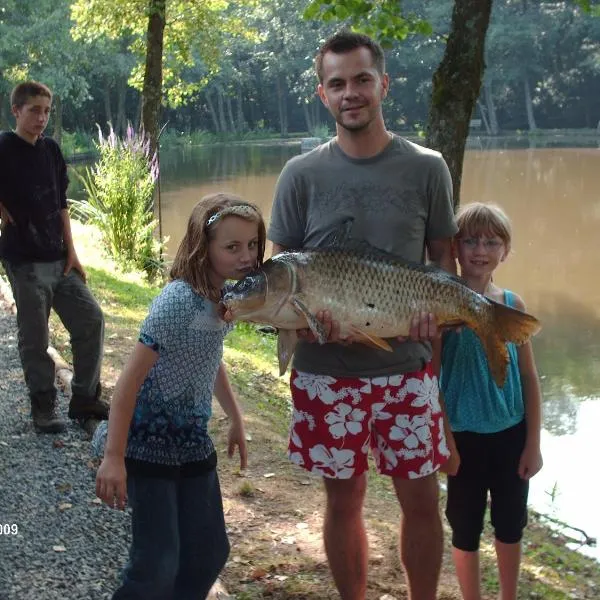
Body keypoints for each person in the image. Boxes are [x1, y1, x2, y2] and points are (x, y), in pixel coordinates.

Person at [267, 31, 458, 600]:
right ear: (323, 95)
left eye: (361, 80)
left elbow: (441, 266)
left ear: (383, 85)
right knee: (342, 500)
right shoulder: (300, 174)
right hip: (327, 372)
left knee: (422, 501)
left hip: (407, 366)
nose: (350, 93)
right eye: (337, 83)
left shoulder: (428, 168)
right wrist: (301, 324)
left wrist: (436, 330)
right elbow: (281, 278)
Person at [94, 193, 265, 600]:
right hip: (146, 445)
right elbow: (129, 381)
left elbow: (210, 358)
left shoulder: (225, 300)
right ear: (202, 247)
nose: (247, 256)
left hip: (191, 443)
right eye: (232, 246)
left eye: (253, 244)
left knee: (209, 552)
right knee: (157, 564)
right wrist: (114, 457)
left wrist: (235, 418)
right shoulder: (177, 302)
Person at [438, 203, 543, 600]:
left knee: (510, 525)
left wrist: (533, 443)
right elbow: (431, 378)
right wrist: (444, 440)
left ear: (505, 250)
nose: (480, 250)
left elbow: (529, 377)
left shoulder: (513, 306)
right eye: (470, 240)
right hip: (462, 437)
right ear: (455, 248)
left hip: (510, 435)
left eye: (491, 241)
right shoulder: (442, 303)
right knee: (465, 529)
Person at [0, 81, 106, 433]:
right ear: (16, 111)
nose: (41, 118)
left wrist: (72, 252)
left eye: (46, 111)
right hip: (24, 261)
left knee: (91, 319)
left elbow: (61, 206)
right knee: (35, 338)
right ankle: (43, 406)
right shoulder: (3, 147)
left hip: (59, 259)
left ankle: (84, 398)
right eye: (34, 110)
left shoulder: (51, 151)